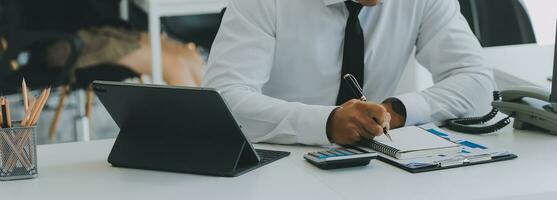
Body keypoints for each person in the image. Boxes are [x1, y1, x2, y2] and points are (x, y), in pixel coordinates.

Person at [203, 0, 495, 145]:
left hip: (371, 166)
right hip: (275, 158)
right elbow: (224, 100)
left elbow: (477, 81)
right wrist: (326, 123)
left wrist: (395, 112)